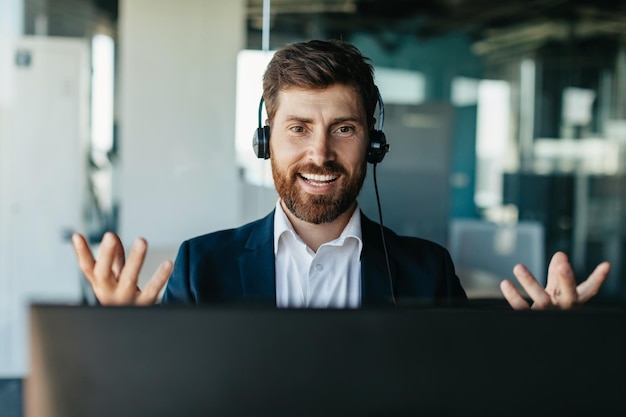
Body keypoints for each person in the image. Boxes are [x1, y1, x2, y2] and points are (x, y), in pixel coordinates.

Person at [72, 39, 610, 309]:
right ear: (267, 141)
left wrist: (546, 350)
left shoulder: (427, 273)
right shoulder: (201, 267)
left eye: (344, 129)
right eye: (299, 128)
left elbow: (471, 394)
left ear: (372, 143)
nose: (321, 154)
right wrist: (123, 338)